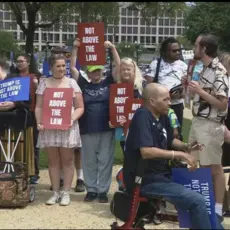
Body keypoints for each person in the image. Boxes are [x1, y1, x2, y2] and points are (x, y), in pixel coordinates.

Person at [123, 83, 223, 229]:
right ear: (152, 101)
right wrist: (179, 155)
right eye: (165, 100)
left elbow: (169, 140)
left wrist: (187, 146)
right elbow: (146, 151)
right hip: (146, 180)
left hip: (163, 176)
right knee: (197, 200)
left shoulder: (162, 116)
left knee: (202, 195)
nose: (170, 103)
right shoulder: (142, 115)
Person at [182, 34, 229, 222]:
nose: (194, 49)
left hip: (211, 126)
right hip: (198, 123)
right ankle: (199, 205)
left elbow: (223, 104)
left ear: (204, 49)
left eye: (196, 46)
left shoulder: (219, 71)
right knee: (193, 163)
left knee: (213, 168)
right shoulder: (204, 69)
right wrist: (191, 89)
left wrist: (200, 91)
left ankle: (217, 209)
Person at [70, 39, 116, 203]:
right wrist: (75, 48)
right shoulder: (83, 84)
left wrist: (112, 49)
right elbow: (73, 68)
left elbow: (117, 67)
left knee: (105, 160)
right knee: (89, 160)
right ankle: (91, 189)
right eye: (92, 71)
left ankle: (103, 190)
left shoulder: (108, 82)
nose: (95, 73)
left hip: (106, 128)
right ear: (88, 73)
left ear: (102, 71)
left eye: (98, 70)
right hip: (87, 128)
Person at [35, 54, 84, 206]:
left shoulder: (72, 83)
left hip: (67, 126)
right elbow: (39, 106)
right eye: (58, 66)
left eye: (64, 65)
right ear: (51, 67)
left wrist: (72, 119)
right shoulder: (44, 83)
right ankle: (55, 192)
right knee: (53, 161)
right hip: (49, 127)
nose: (62, 68)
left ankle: (66, 192)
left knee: (68, 160)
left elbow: (80, 107)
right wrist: (39, 122)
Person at [146, 37, 187, 139]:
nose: (177, 52)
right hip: (159, 107)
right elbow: (149, 87)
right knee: (158, 134)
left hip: (176, 106)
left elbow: (188, 88)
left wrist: (181, 94)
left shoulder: (183, 66)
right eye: (174, 50)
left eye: (179, 50)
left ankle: (175, 154)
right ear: (165, 51)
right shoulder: (156, 64)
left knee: (176, 134)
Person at [0, 58, 35, 177]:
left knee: (19, 154)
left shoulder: (16, 79)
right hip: (2, 124)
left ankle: (22, 177)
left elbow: (28, 101)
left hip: (18, 124)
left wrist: (15, 103)